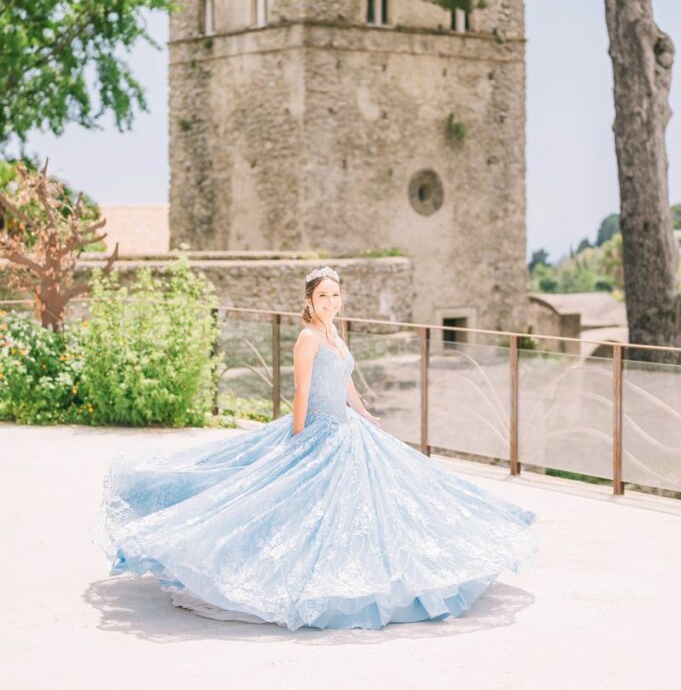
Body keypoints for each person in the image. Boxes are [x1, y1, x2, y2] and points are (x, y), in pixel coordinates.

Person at [92, 266, 537, 630]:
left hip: (348, 428)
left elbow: (345, 382)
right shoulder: (307, 337)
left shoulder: (336, 333)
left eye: (335, 295)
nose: (330, 302)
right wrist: (299, 440)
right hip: (317, 429)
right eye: (323, 296)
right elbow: (301, 391)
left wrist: (366, 415)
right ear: (309, 301)